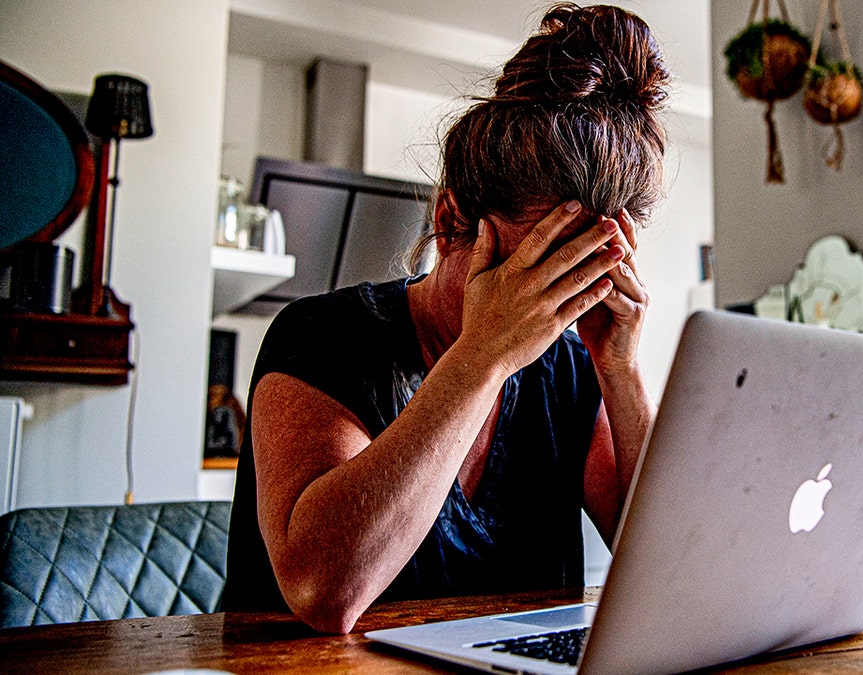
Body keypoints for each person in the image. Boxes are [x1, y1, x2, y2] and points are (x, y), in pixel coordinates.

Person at [223, 3, 670, 634]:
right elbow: (325, 590)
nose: (541, 312)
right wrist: (483, 357)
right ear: (447, 221)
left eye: (572, 280)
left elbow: (668, 562)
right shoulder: (321, 337)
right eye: (524, 274)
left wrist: (621, 369)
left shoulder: (571, 368)